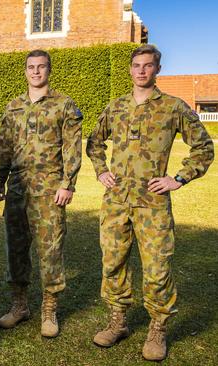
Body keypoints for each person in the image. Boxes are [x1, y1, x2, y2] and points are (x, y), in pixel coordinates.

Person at [86, 44, 214, 361]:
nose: (141, 70)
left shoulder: (173, 107)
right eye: (137, 65)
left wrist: (179, 178)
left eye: (148, 66)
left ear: (157, 69)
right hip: (116, 201)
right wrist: (101, 170)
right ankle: (118, 322)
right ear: (130, 70)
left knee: (157, 269)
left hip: (153, 203)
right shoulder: (115, 107)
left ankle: (158, 329)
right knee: (113, 264)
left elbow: (204, 148)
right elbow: (94, 142)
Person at [0, 50, 82, 338]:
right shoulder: (13, 107)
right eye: (31, 67)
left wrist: (68, 183)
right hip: (19, 189)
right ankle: (20, 306)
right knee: (16, 250)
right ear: (25, 71)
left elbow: (72, 147)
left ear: (49, 70)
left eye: (41, 67)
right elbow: (4, 146)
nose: (35, 72)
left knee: (50, 251)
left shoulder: (64, 105)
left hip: (50, 192)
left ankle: (49, 309)